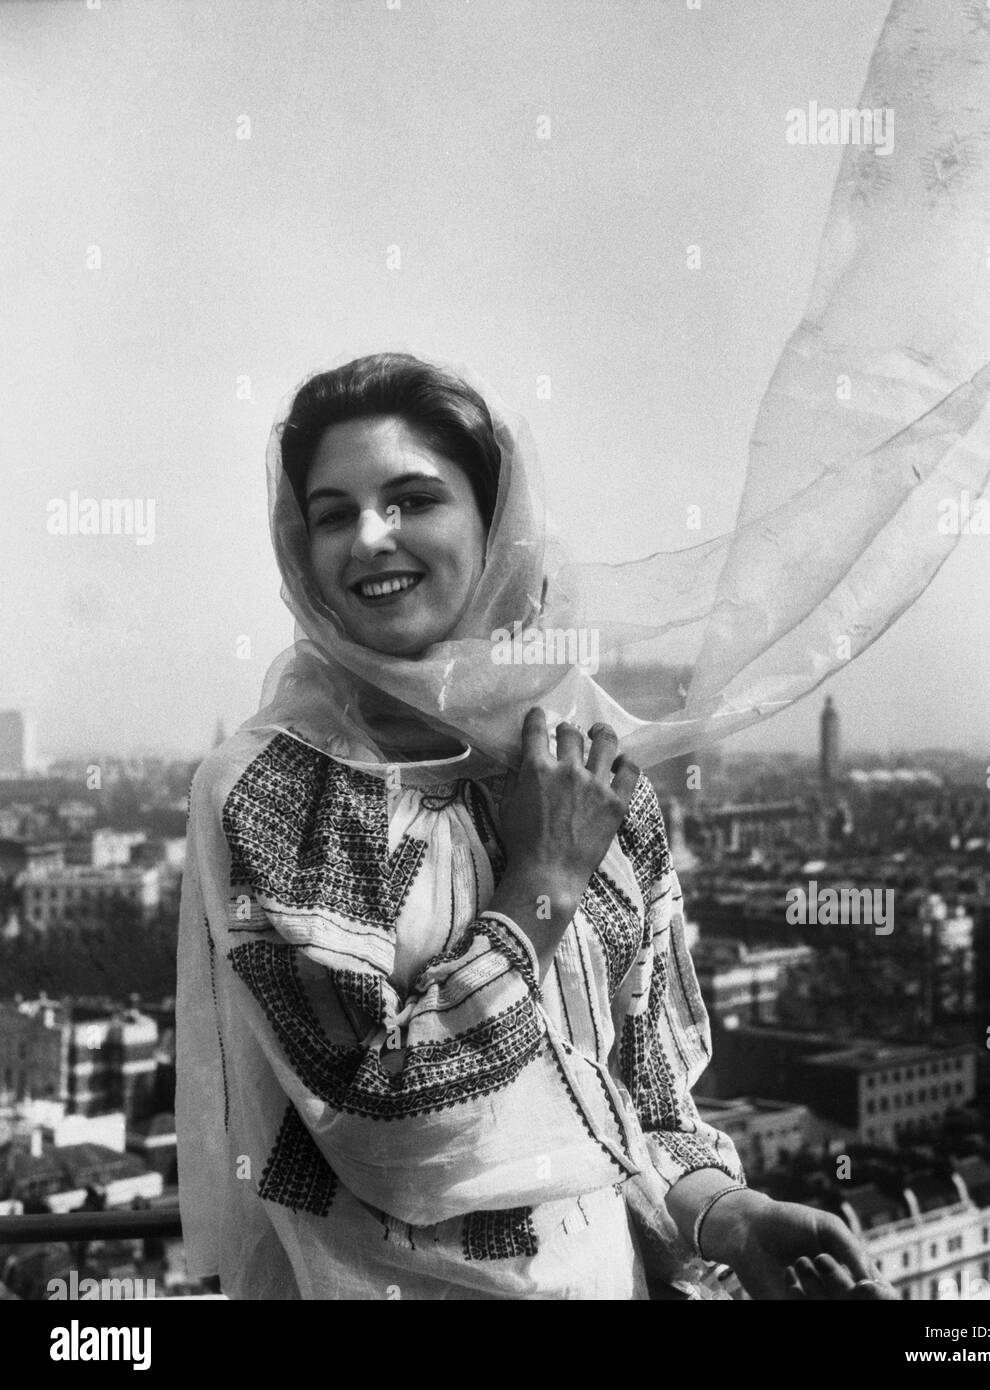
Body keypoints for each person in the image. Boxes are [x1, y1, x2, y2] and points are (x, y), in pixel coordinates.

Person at [176, 352, 893, 1300]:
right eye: (332, 514)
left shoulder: (587, 767)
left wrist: (729, 1212)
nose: (368, 539)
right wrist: (542, 883)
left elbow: (643, 1091)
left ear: (495, 524)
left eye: (412, 499)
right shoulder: (276, 790)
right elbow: (387, 1129)